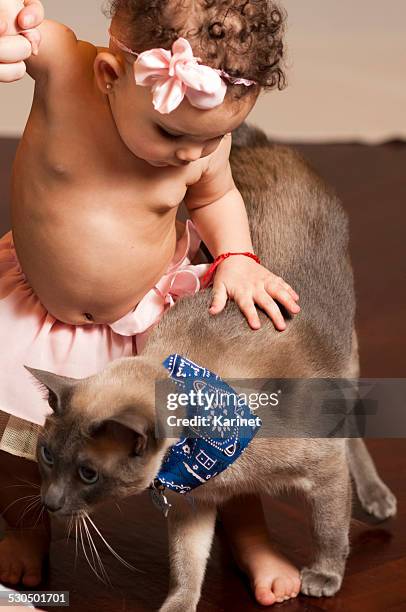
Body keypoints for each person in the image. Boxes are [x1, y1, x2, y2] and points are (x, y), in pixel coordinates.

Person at [0, 0, 301, 604]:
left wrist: (235, 256)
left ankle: (249, 534)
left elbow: (217, 198)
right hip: (35, 313)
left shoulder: (200, 144)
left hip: (150, 319)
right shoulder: (67, 71)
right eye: (172, 134)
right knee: (21, 442)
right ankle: (26, 527)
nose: (194, 155)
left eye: (216, 137)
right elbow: (29, 30)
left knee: (212, 438)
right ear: (111, 77)